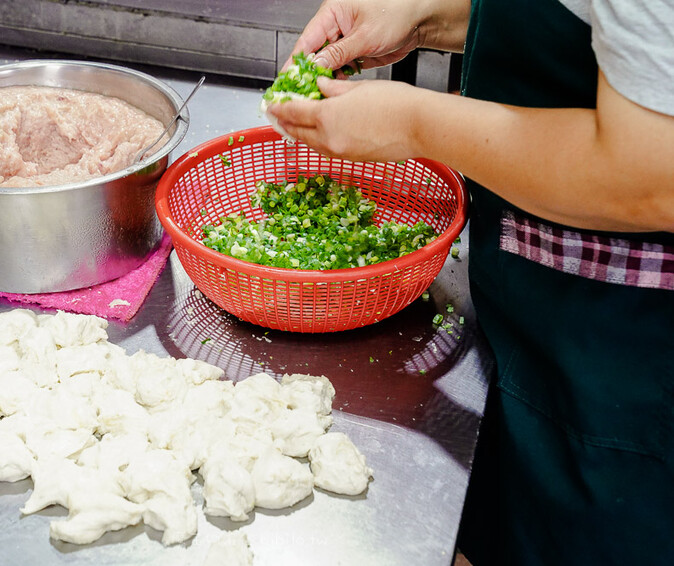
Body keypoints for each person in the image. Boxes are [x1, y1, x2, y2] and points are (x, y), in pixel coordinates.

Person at [266, 1, 674, 564]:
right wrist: (428, 16)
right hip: (537, 325)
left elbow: (654, 177)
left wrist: (415, 124)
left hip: (628, 374)